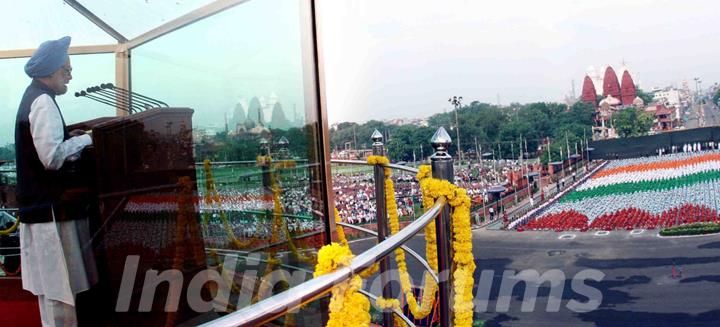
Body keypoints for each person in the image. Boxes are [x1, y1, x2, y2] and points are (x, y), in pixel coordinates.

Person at [15, 36, 97, 327]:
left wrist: (69, 140)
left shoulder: (34, 97)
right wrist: (88, 139)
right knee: (60, 292)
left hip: (43, 212)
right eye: (66, 69)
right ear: (50, 72)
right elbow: (51, 158)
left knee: (55, 291)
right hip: (50, 214)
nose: (70, 75)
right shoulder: (43, 102)